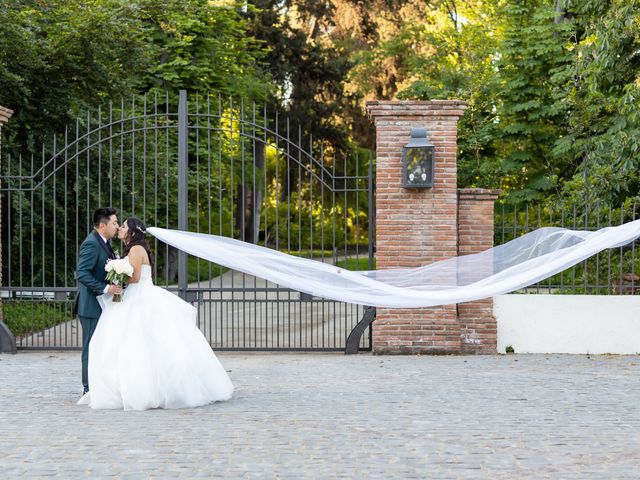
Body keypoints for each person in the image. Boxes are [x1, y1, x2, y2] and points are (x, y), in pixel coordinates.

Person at [77, 218, 233, 410]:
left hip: (139, 296)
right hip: (138, 295)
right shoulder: (135, 248)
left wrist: (116, 272)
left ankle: (143, 389)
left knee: (137, 343)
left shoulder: (135, 250)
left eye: (124, 226)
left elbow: (134, 278)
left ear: (132, 231)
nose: (120, 228)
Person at [74, 207, 122, 395]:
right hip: (91, 306)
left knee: (101, 346)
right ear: (102, 225)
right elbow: (82, 273)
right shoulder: (92, 243)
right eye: (114, 223)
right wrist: (105, 288)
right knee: (91, 347)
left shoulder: (105, 243)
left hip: (103, 305)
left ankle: (99, 384)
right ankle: (88, 388)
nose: (117, 226)